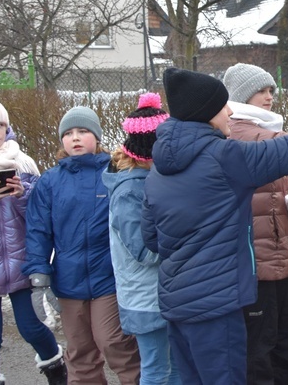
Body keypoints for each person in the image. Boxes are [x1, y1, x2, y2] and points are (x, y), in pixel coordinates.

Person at [141, 67, 288, 385]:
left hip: (176, 306)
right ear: (207, 114)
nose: (229, 110)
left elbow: (152, 238)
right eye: (223, 105)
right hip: (217, 306)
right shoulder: (225, 157)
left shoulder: (159, 170)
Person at [23, 106, 141, 384]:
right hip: (68, 279)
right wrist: (39, 273)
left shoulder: (114, 173)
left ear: (97, 137)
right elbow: (38, 230)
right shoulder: (50, 181)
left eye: (83, 131)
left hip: (108, 277)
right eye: (69, 133)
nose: (75, 138)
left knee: (114, 342)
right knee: (80, 351)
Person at [221, 63, 288, 385]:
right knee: (260, 346)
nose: (269, 97)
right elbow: (285, 143)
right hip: (254, 263)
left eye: (271, 90)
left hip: (278, 255)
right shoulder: (240, 133)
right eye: (261, 90)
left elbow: (267, 198)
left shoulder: (265, 130)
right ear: (242, 96)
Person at [102, 93, 181, 385]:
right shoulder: (130, 192)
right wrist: (184, 237)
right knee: (158, 369)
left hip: (165, 293)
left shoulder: (151, 182)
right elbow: (145, 252)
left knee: (178, 368)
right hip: (147, 299)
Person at [0, 100, 67, 385]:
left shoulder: (22, 161)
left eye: (0, 125)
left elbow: (40, 213)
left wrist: (21, 194)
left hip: (19, 260)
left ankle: (56, 366)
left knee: (31, 327)